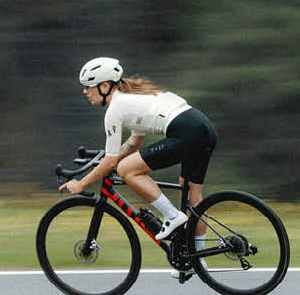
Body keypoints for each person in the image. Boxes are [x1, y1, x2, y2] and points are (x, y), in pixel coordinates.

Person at [58, 56, 217, 241]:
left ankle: (172, 216)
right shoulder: (132, 98)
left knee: (126, 169)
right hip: (204, 128)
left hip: (187, 131)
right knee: (193, 199)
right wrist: (107, 160)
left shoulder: (115, 108)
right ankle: (197, 263)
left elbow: (111, 161)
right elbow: (134, 142)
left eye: (88, 86)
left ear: (104, 86)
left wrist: (81, 184)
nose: (85, 91)